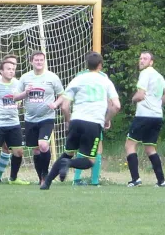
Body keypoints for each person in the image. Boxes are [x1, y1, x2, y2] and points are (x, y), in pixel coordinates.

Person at [40, 52, 120, 190]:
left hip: (76, 121)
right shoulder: (105, 81)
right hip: (93, 123)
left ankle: (46, 183)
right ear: (100, 65)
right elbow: (116, 106)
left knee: (67, 153)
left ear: (86, 65)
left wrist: (68, 121)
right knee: (90, 160)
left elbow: (65, 106)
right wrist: (106, 120)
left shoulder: (78, 79)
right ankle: (68, 164)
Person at [14, 51, 64, 184]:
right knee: (36, 150)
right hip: (30, 118)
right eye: (36, 60)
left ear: (44, 61)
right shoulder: (25, 78)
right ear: (31, 62)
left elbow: (62, 95)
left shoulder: (52, 77)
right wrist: (25, 93)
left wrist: (55, 104)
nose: (39, 62)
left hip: (47, 117)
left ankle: (46, 174)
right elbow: (15, 97)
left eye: (41, 60)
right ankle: (41, 178)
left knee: (43, 145)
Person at [125, 52, 165, 187]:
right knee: (150, 148)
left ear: (151, 62)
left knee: (130, 145)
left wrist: (132, 100)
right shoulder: (158, 75)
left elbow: (140, 95)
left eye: (145, 59)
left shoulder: (145, 73)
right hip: (157, 116)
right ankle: (161, 181)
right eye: (140, 58)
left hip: (143, 115)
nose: (141, 61)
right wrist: (158, 105)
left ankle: (136, 179)